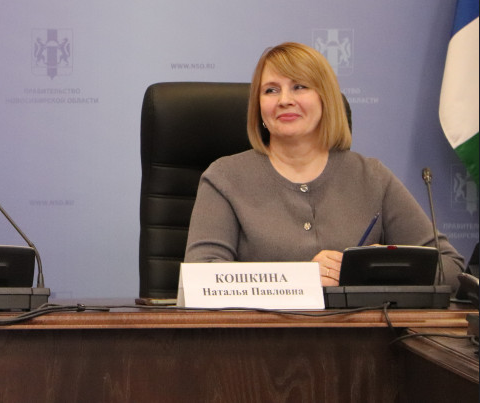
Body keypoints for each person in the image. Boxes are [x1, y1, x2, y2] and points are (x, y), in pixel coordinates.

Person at [184, 42, 464, 290]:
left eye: (299, 87)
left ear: (325, 98)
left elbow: (451, 268)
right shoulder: (225, 177)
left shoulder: (371, 177)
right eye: (271, 90)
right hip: (260, 332)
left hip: (361, 331)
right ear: (258, 107)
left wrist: (377, 270)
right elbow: (200, 275)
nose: (284, 100)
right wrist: (301, 278)